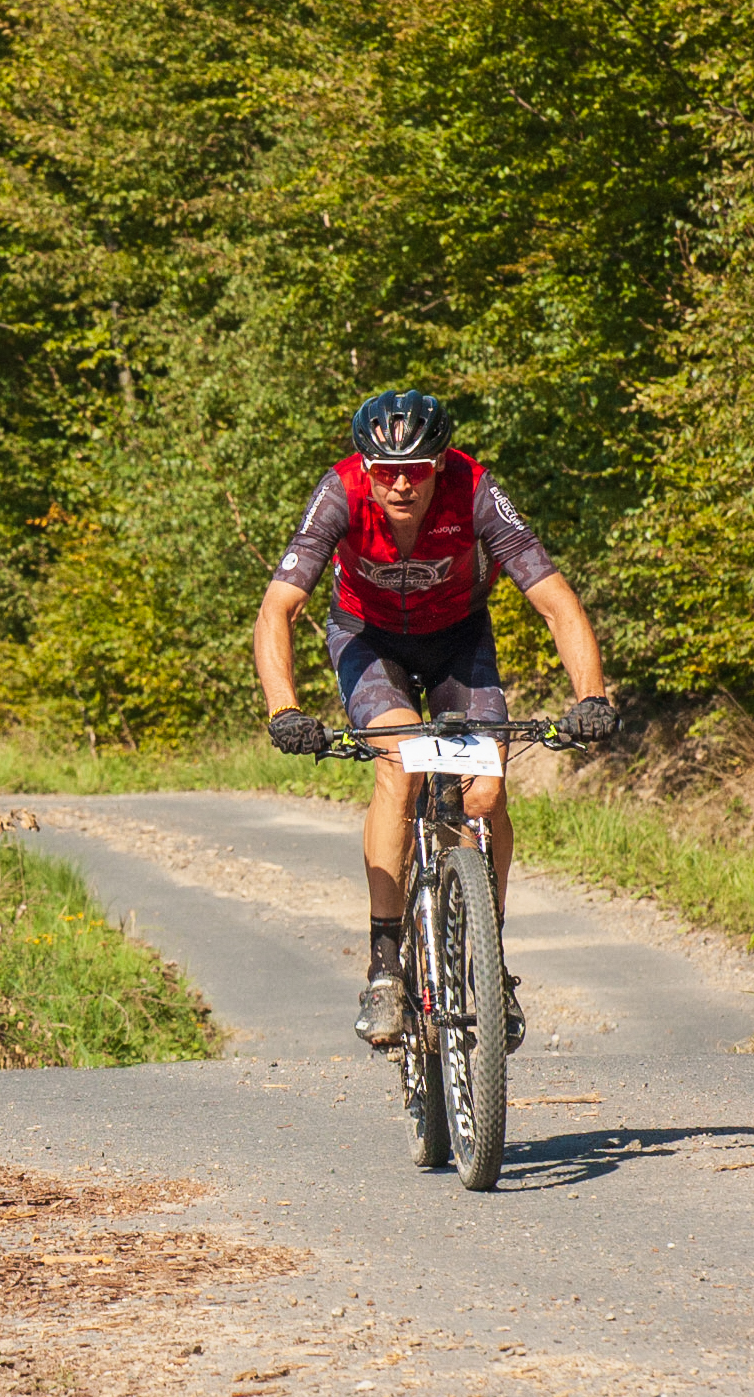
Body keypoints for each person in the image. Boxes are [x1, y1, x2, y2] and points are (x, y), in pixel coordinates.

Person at [250, 391, 617, 1047]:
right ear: (366, 468)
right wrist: (285, 708)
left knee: (485, 791)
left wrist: (592, 696)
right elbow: (279, 608)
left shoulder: (475, 490)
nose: (401, 484)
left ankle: (488, 962)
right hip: (368, 640)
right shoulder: (339, 492)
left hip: (457, 640)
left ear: (440, 464)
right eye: (386, 470)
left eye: (416, 469)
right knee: (402, 765)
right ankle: (385, 968)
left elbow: (556, 601)